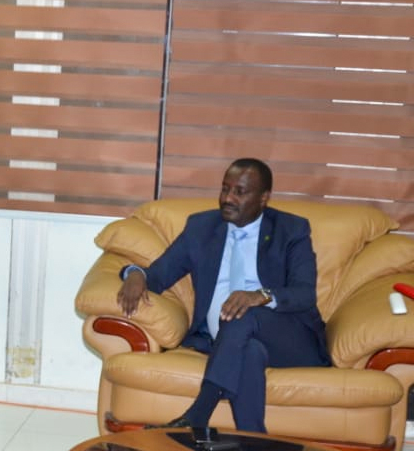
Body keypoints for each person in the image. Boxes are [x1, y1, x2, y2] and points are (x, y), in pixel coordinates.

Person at [116, 158, 331, 433]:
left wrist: (260, 296)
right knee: (250, 352)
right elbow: (159, 274)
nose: (228, 198)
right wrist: (135, 274)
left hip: (291, 338)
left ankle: (198, 414)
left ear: (264, 198)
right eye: (225, 189)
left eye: (240, 192)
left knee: (243, 313)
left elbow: (304, 293)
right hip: (228, 343)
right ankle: (254, 448)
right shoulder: (202, 228)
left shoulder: (291, 230)